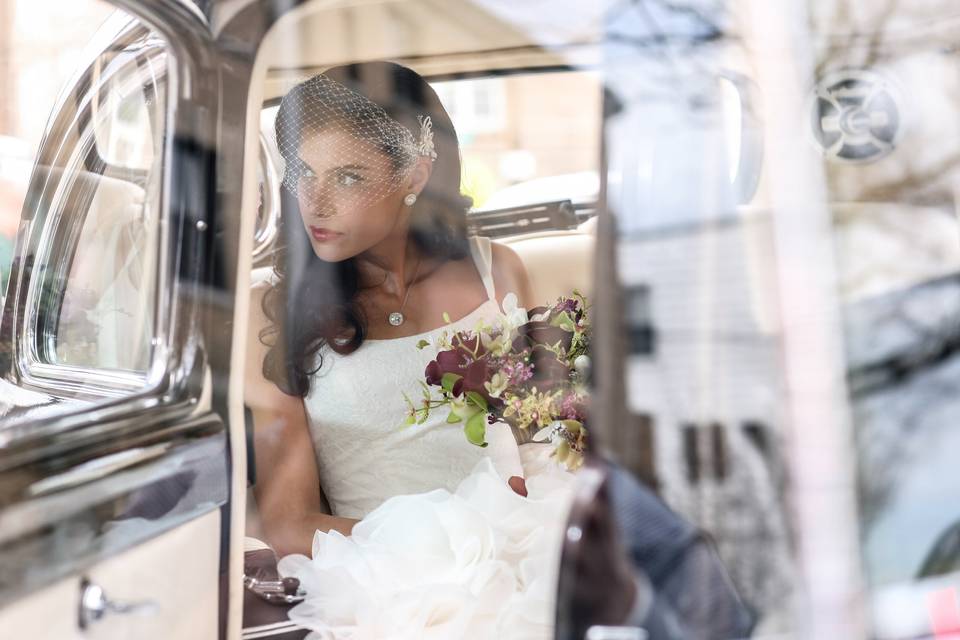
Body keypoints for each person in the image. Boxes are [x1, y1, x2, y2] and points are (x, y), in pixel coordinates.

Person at [245, 61, 576, 639]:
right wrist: (450, 545)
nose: (314, 201)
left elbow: (549, 441)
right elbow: (289, 524)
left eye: (347, 177)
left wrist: (522, 532)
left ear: (415, 173)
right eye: (303, 171)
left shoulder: (498, 271)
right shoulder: (274, 314)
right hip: (387, 582)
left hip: (531, 541)